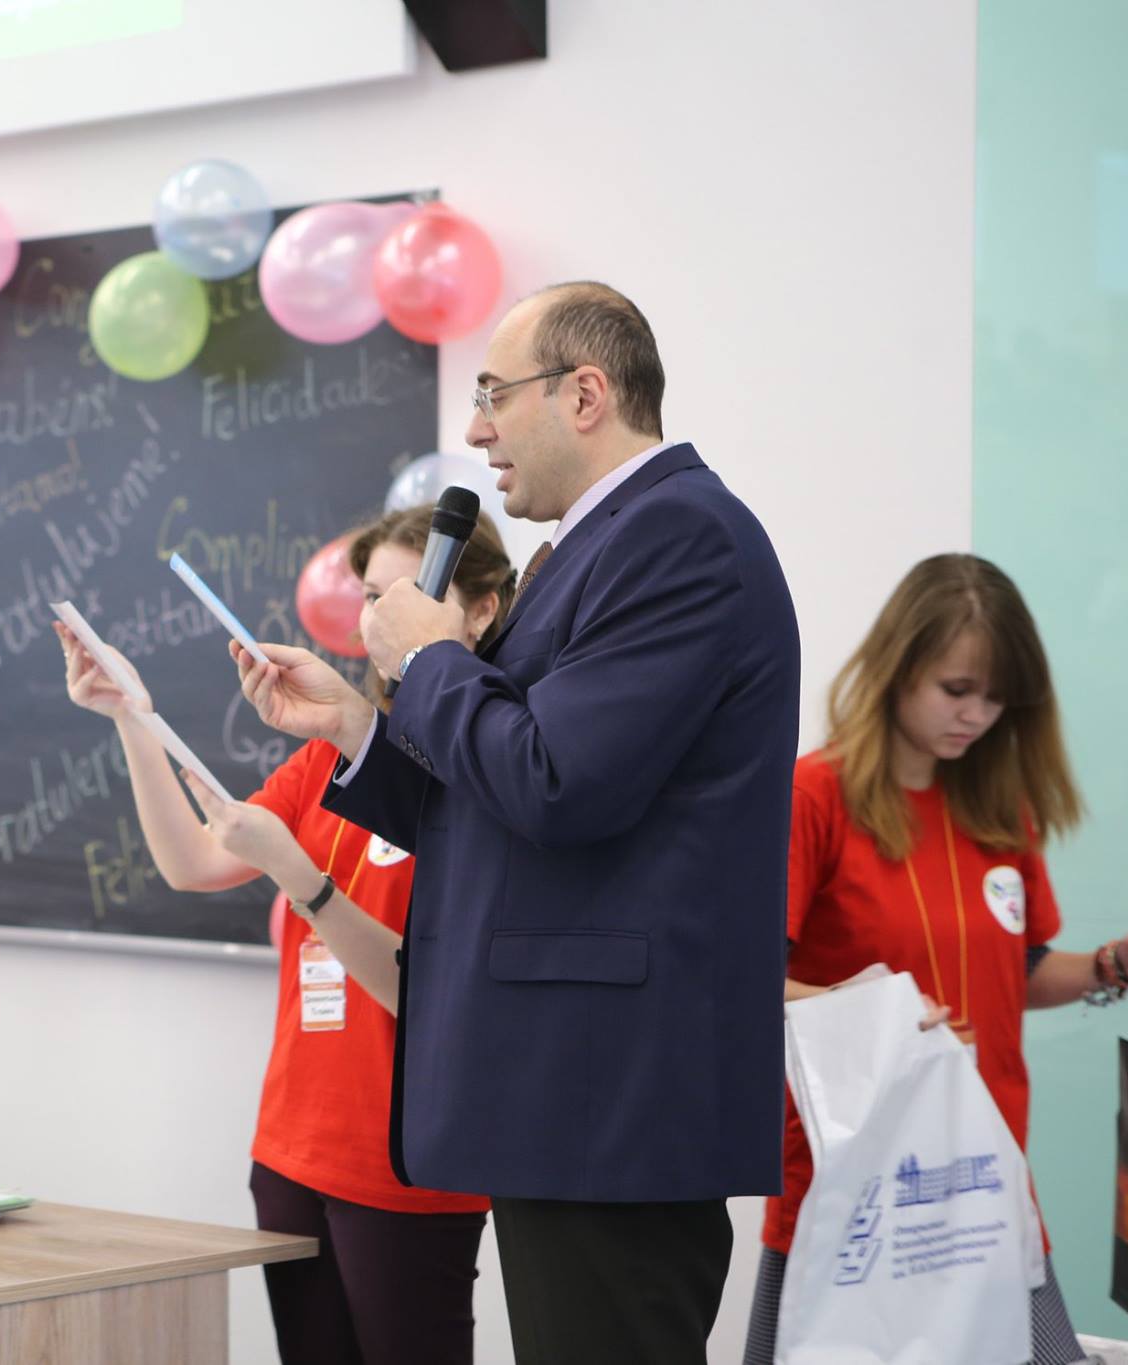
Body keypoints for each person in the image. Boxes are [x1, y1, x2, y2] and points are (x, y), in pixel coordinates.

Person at [228, 281, 801, 1362]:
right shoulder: (596, 543)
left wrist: (429, 657)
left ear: (584, 395)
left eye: (494, 394)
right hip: (568, 1095)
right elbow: (495, 796)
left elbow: (557, 782)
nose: (477, 428)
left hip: (609, 1095)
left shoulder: (678, 535)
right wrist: (354, 723)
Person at [59, 503, 513, 1365]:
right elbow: (195, 860)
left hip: (402, 1165)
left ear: (481, 611)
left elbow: (425, 993)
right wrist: (132, 716)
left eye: (411, 595)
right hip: (291, 1151)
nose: (381, 619)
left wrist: (303, 881)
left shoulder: (485, 775)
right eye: (371, 596)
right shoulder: (328, 756)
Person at [746, 553, 1128, 1365]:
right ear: (898, 666)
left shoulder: (998, 808)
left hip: (985, 1186)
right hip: (855, 1196)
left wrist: (1110, 966)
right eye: (956, 689)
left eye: (997, 697)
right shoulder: (814, 798)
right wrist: (877, 1013)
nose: (976, 715)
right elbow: (744, 983)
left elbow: (1018, 971)